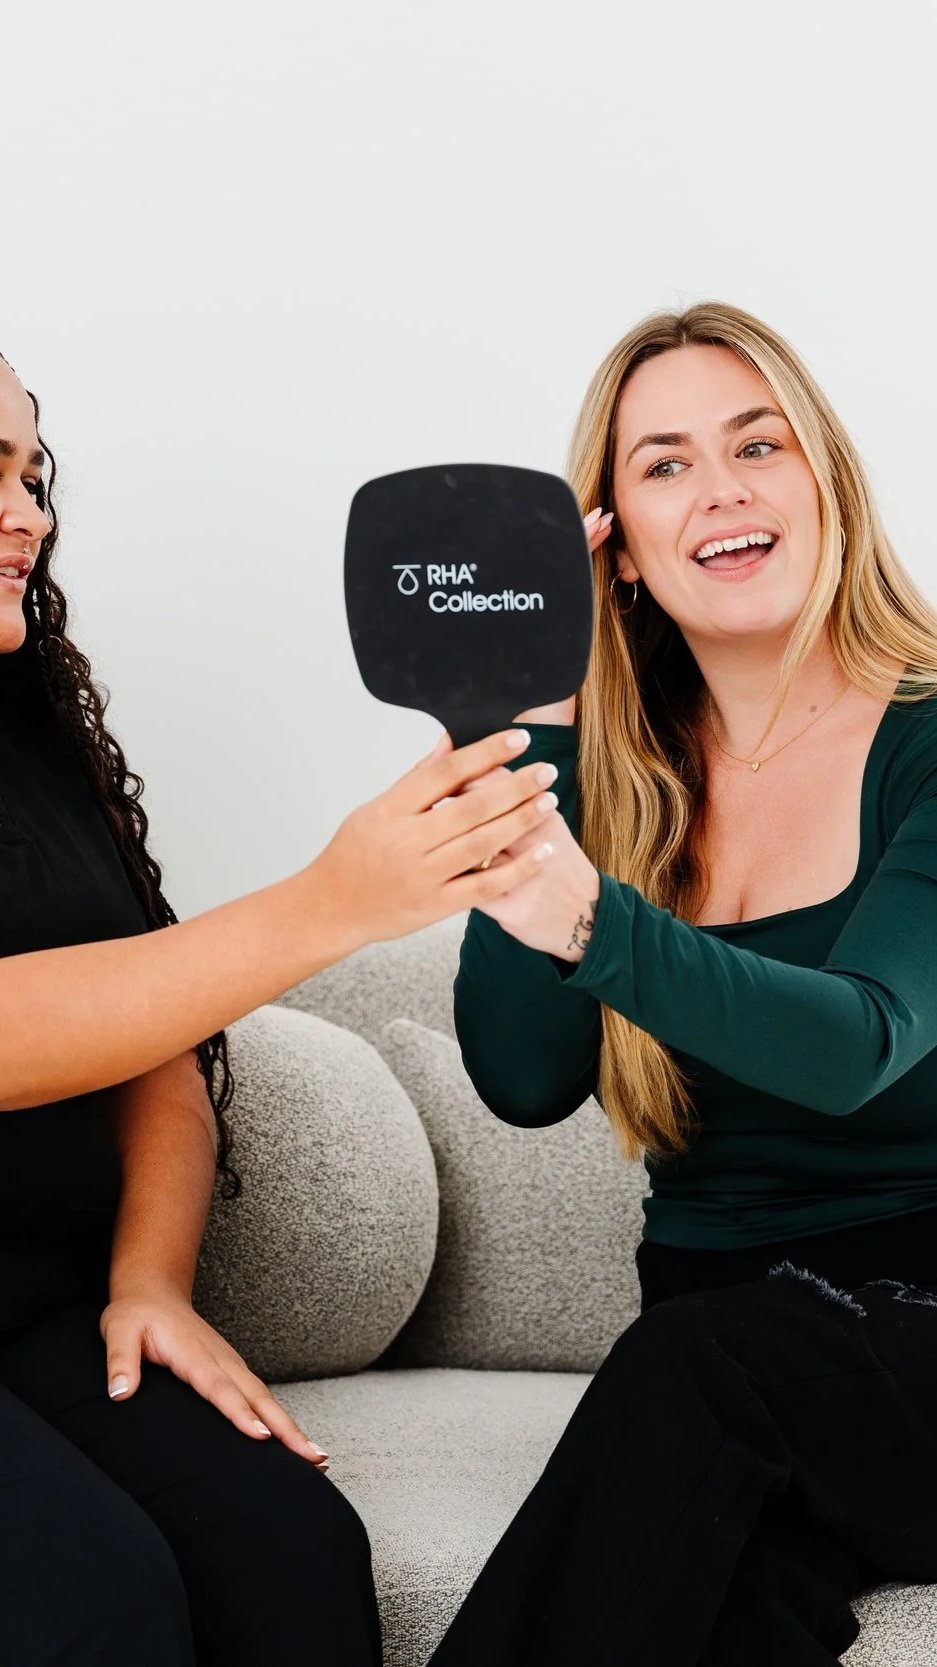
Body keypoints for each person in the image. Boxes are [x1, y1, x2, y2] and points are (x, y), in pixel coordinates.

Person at [0, 346, 561, 1666]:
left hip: (39, 1316)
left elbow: (156, 1051)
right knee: (93, 1601)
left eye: (30, 468)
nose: (25, 508)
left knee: (291, 1553)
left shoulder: (32, 733)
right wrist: (330, 904)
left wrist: (148, 1283)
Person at [427, 300, 937, 1666]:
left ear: (821, 477)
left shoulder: (930, 739)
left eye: (755, 445)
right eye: (661, 463)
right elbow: (525, 1079)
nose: (718, 488)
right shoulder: (616, 780)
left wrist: (592, 918)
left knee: (696, 1369)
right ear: (618, 552)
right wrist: (539, 742)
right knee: (724, 1607)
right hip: (734, 1358)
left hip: (908, 1347)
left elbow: (859, 1042)